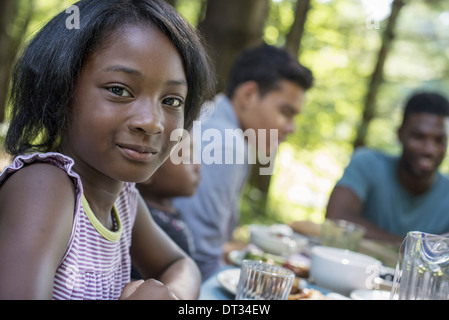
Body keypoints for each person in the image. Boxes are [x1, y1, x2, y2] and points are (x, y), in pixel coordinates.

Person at [0, 0, 215, 300]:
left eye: (171, 101)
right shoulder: (45, 187)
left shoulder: (124, 200)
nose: (151, 122)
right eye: (119, 90)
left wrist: (172, 296)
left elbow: (181, 265)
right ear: (61, 92)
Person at [173, 43, 314, 281]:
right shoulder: (228, 144)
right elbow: (201, 258)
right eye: (285, 112)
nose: (291, 128)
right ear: (248, 94)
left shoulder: (209, 116)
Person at [326, 92, 449, 244]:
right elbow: (336, 219)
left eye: (440, 140)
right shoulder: (368, 163)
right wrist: (413, 248)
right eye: (418, 137)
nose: (429, 150)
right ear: (400, 134)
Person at [136, 131, 200, 260]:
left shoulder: (170, 213)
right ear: (148, 169)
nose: (198, 166)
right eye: (187, 157)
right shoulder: (148, 226)